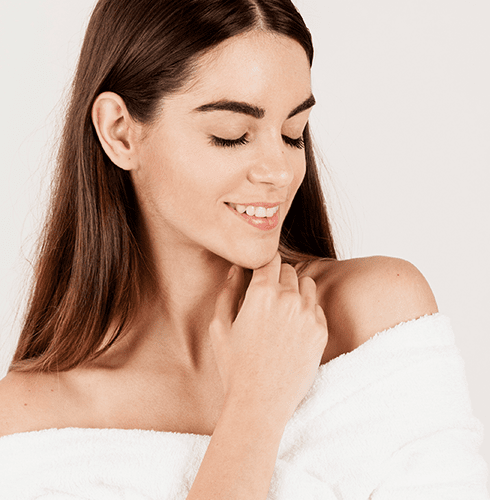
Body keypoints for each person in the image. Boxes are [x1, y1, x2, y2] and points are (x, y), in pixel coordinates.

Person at [0, 0, 488, 498]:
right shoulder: (33, 421)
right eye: (231, 136)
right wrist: (254, 407)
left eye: (292, 134)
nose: (279, 172)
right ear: (120, 132)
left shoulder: (375, 318)